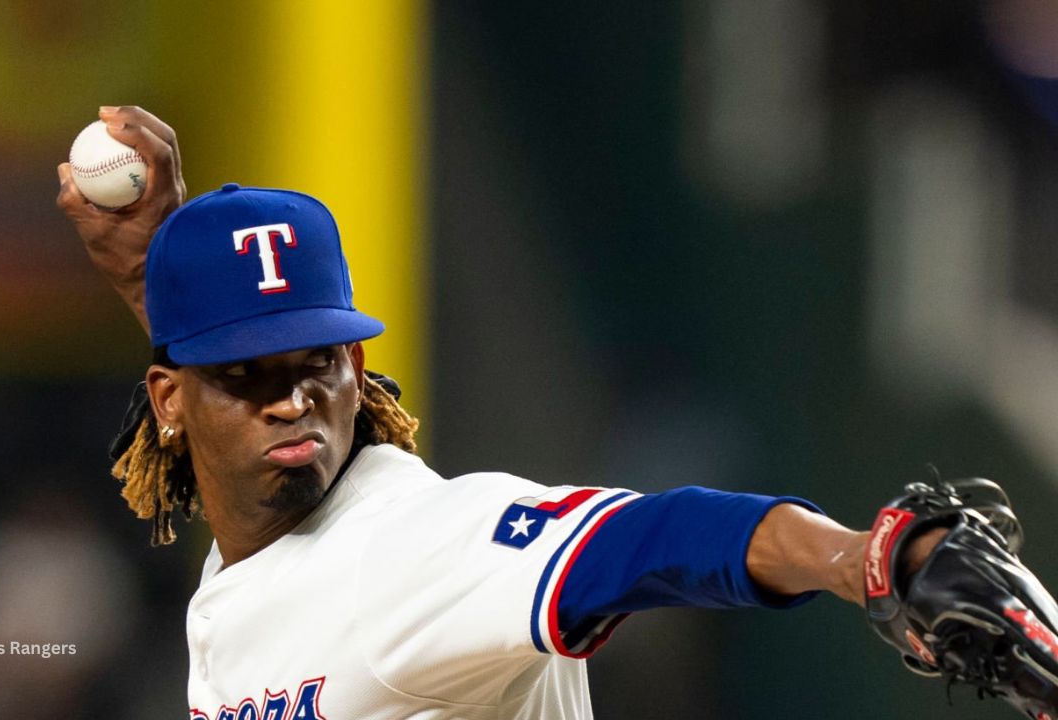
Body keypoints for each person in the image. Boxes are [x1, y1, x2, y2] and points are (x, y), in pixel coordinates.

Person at [54, 107, 956, 719]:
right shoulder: (265, 545)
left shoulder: (408, 549)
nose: (293, 399)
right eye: (248, 373)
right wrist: (158, 283)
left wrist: (858, 559)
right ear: (170, 397)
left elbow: (652, 537)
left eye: (315, 362)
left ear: (356, 366)